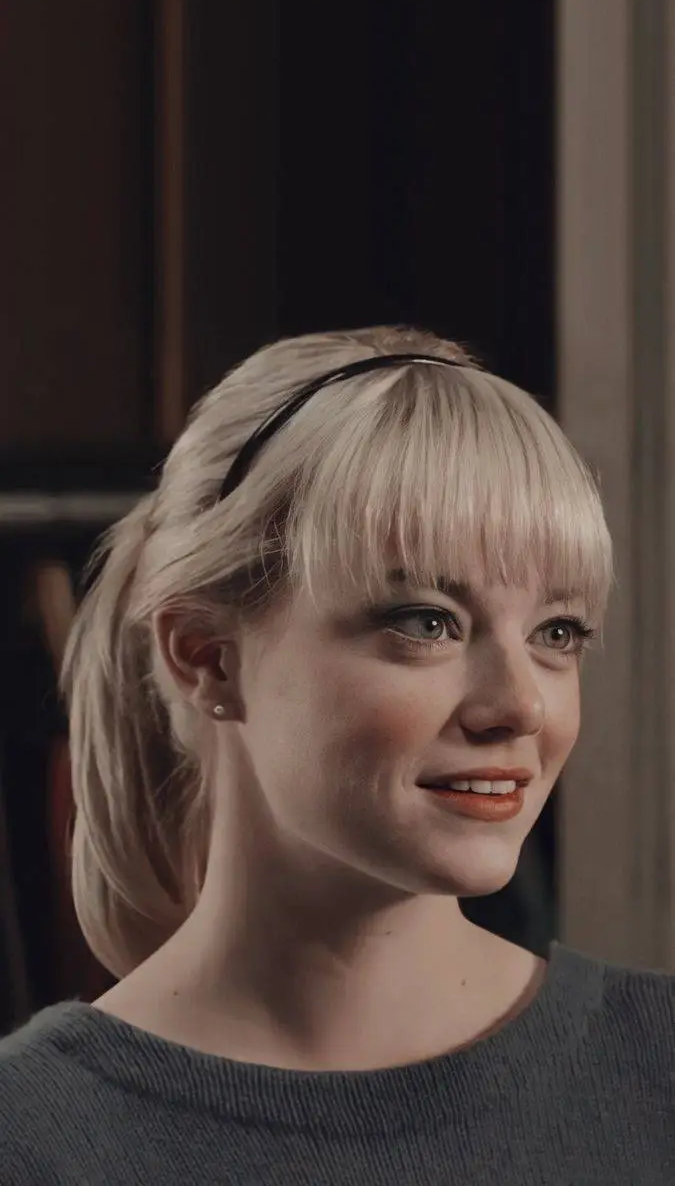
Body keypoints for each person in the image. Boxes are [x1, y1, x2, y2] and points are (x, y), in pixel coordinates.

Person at [1, 325, 673, 1184]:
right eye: (426, 622)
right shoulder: (31, 1140)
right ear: (207, 657)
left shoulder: (657, 1072)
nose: (519, 706)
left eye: (557, 632)